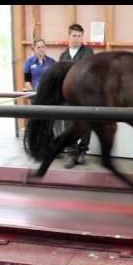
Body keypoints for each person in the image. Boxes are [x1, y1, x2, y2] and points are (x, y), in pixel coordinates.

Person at [58, 24, 94, 169]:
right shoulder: (63, 55)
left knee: (86, 122)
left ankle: (82, 151)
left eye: (79, 36)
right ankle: (72, 152)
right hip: (68, 95)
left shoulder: (88, 52)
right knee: (69, 123)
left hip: (85, 94)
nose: (77, 38)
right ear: (69, 36)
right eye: (74, 35)